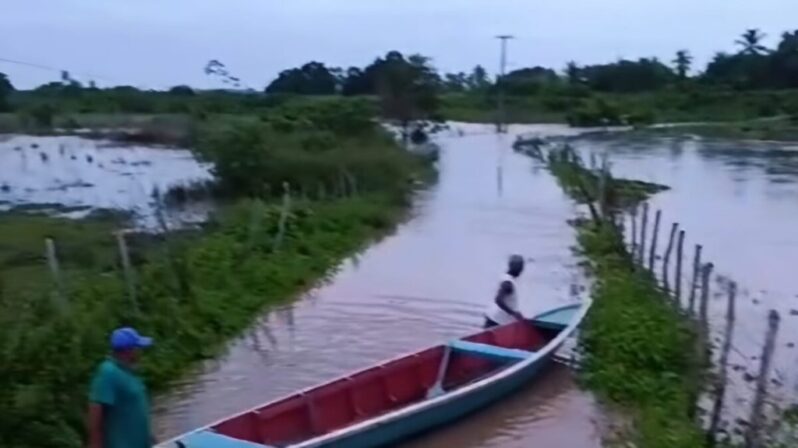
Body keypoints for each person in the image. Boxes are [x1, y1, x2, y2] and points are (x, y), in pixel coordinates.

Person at [88, 327, 154, 448]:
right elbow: (96, 410)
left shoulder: (128, 372)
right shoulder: (108, 372)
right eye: (137, 348)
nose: (140, 352)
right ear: (128, 350)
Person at [484, 255, 526, 328]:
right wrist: (513, 313)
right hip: (496, 321)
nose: (521, 271)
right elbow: (498, 300)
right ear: (516, 268)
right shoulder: (508, 283)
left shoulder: (504, 276)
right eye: (520, 268)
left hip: (492, 317)